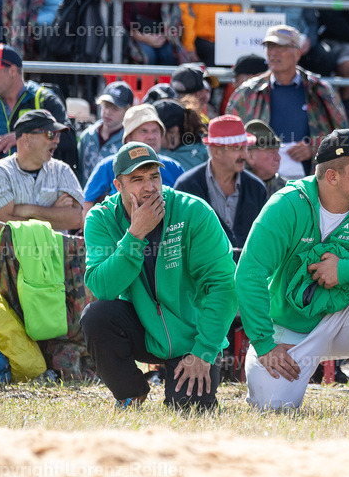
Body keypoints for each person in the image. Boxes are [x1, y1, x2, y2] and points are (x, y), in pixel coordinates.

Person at [236, 129, 349, 411]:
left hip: (345, 320)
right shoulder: (287, 204)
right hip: (288, 327)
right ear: (332, 176)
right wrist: (264, 344)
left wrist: (345, 270)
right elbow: (250, 272)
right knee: (272, 406)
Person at [82, 141, 238, 410]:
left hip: (193, 338)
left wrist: (203, 352)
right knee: (95, 316)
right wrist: (135, 235)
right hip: (142, 329)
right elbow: (102, 288)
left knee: (189, 411)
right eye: (138, 179)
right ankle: (130, 391)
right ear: (118, 186)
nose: (150, 187)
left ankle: (189, 373)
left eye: (154, 176)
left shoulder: (193, 211)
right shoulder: (101, 219)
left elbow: (224, 286)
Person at [225, 24, 347, 178]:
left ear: (298, 52)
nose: (273, 53)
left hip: (312, 182)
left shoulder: (320, 90)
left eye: (281, 47)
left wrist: (314, 148)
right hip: (260, 183)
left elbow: (343, 138)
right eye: (269, 47)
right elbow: (229, 140)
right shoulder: (247, 92)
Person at [0, 110, 84, 269]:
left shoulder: (62, 170)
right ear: (26, 139)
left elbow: (75, 219)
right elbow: (6, 228)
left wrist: (26, 210)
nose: (57, 141)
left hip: (53, 272)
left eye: (58, 135)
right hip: (8, 275)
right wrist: (54, 214)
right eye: (50, 135)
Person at [0, 44, 78, 176]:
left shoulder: (44, 100)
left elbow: (69, 140)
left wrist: (23, 137)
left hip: (43, 192)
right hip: (4, 192)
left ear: (13, 71)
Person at [174, 114, 267, 251]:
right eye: (238, 149)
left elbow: (264, 240)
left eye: (245, 148)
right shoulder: (186, 187)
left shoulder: (257, 188)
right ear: (216, 152)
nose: (245, 156)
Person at [83, 104, 186, 209]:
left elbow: (185, 205)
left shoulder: (174, 167)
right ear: (128, 138)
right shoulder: (108, 165)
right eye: (144, 131)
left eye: (155, 131)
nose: (151, 137)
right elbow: (86, 204)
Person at [77, 80, 133, 183]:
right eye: (106, 106)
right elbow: (79, 171)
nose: (107, 112)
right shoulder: (87, 136)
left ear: (127, 110)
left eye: (115, 108)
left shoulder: (128, 142)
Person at [154, 97, 208, 171]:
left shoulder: (202, 153)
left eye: (155, 131)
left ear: (173, 131)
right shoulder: (154, 152)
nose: (151, 136)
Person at [244, 119, 285, 195]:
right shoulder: (235, 188)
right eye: (272, 152)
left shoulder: (285, 190)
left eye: (277, 152)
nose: (278, 158)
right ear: (250, 156)